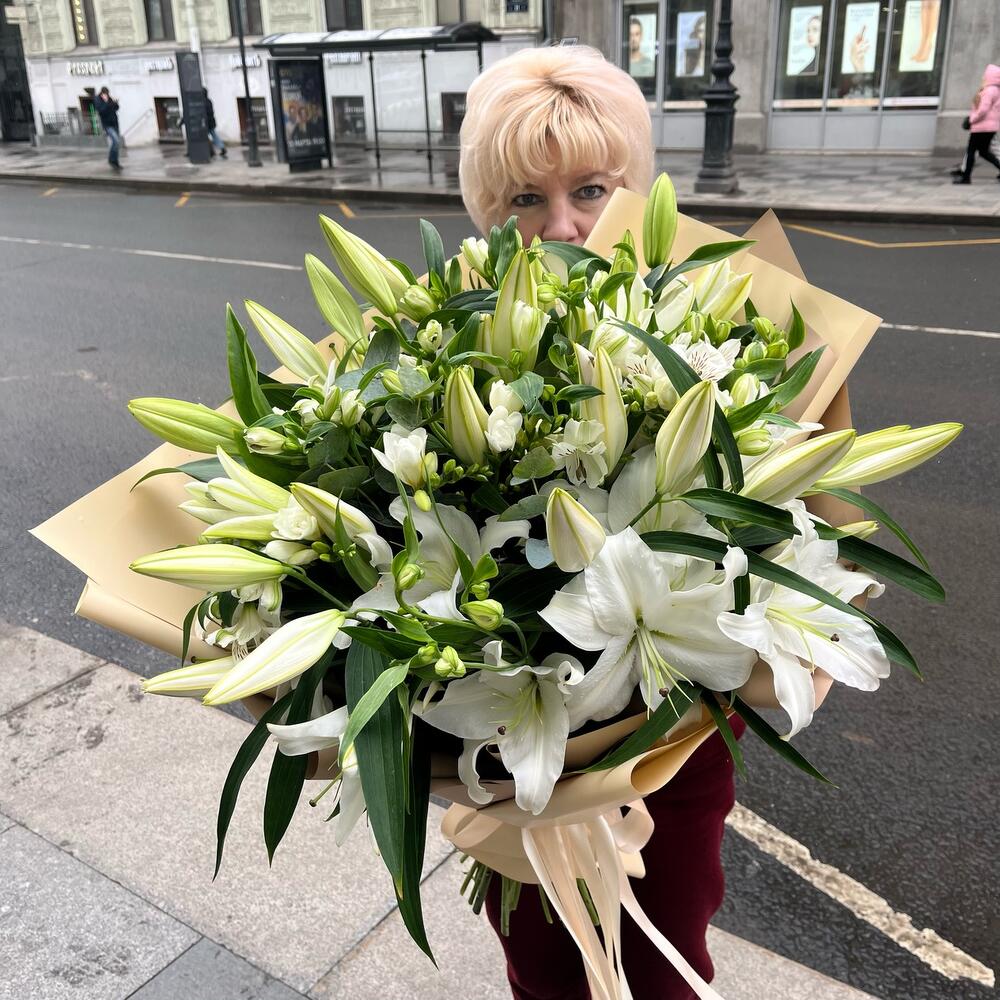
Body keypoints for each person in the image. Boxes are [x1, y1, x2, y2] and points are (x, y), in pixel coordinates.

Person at [459, 44, 848, 1000]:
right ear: (488, 210)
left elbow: (803, 531)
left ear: (637, 191)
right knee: (541, 967)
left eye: (592, 189)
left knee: (667, 956)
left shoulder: (715, 325)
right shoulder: (461, 346)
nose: (563, 226)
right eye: (525, 198)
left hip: (673, 746)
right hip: (519, 758)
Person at [953, 65, 1000, 185]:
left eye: (985, 74)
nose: (983, 76)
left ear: (991, 76)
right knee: (984, 152)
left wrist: (971, 119)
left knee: (971, 151)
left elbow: (983, 110)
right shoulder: (996, 90)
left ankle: (966, 177)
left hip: (981, 127)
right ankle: (966, 176)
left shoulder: (989, 90)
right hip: (990, 127)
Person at [94, 86, 121, 172]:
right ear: (102, 94)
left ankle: (115, 162)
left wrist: (115, 103)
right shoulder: (98, 100)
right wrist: (106, 102)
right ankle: (111, 160)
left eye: (107, 94)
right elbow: (101, 111)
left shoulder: (109, 99)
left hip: (115, 123)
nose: (107, 95)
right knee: (116, 141)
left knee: (116, 143)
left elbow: (116, 108)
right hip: (107, 125)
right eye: (105, 94)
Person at [202, 88, 227, 158]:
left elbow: (204, 113)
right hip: (211, 122)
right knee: (214, 135)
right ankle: (222, 147)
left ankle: (211, 151)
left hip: (206, 123)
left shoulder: (203, 102)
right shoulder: (208, 101)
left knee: (205, 137)